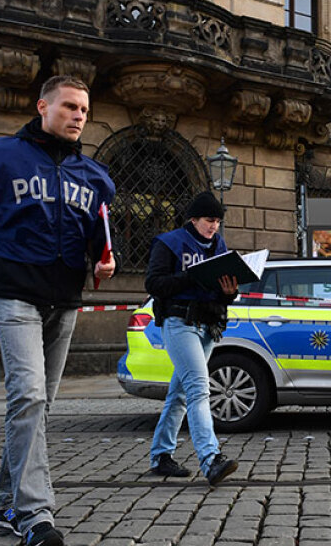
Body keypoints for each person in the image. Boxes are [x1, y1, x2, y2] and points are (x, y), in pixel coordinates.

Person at [0, 75, 115, 546]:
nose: (78, 116)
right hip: (13, 292)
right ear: (42, 107)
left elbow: (98, 236)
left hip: (65, 297)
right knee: (28, 396)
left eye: (84, 110)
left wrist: (103, 259)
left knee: (39, 406)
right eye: (69, 106)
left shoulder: (95, 176)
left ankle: (6, 505)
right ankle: (36, 515)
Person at [147, 191, 239, 486]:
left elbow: (222, 291)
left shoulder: (218, 245)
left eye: (218, 221)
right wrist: (191, 276)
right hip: (179, 322)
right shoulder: (169, 243)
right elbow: (153, 283)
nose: (214, 226)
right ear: (194, 219)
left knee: (181, 394)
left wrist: (230, 292)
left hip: (208, 325)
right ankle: (211, 459)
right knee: (199, 389)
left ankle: (161, 455)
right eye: (210, 220)